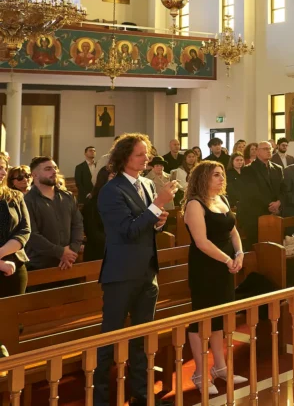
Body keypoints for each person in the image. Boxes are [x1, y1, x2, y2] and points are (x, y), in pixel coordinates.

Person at [95, 133, 179, 406]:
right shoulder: (111, 190)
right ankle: (101, 399)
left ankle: (141, 397)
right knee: (110, 340)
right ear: (124, 158)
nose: (147, 158)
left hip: (147, 271)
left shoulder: (145, 183)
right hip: (121, 274)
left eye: (147, 154)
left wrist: (158, 221)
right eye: (140, 154)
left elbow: (145, 225)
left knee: (143, 340)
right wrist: (158, 205)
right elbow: (127, 230)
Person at [182, 160, 246, 396]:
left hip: (225, 266)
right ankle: (200, 373)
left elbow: (233, 230)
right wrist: (228, 260)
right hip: (206, 266)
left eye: (222, 175)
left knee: (219, 318)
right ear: (203, 178)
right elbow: (202, 242)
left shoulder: (222, 200)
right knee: (202, 319)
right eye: (216, 175)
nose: (221, 179)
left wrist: (239, 253)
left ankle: (220, 367)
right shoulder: (195, 204)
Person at [24, 156, 84, 271]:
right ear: (35, 175)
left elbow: (78, 224)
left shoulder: (68, 196)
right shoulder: (27, 201)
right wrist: (61, 252)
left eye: (55, 168)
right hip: (40, 265)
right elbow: (31, 234)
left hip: (69, 262)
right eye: (48, 169)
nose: (54, 172)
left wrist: (72, 250)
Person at [237, 142, 283, 247]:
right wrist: (270, 206)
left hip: (275, 213)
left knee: (273, 247)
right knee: (256, 247)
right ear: (257, 152)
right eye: (265, 149)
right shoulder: (247, 170)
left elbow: (283, 189)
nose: (269, 151)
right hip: (255, 214)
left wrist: (279, 202)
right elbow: (252, 192)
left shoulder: (278, 168)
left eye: (270, 149)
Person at [0, 155, 31, 298]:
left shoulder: (15, 196)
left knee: (13, 317)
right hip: (4, 265)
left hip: (14, 266)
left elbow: (24, 229)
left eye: (5, 168)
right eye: (0, 168)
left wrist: (1, 253)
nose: (4, 173)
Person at [83, 168, 112, 262]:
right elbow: (92, 233)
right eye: (113, 176)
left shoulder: (121, 201)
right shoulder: (92, 204)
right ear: (103, 179)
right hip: (99, 254)